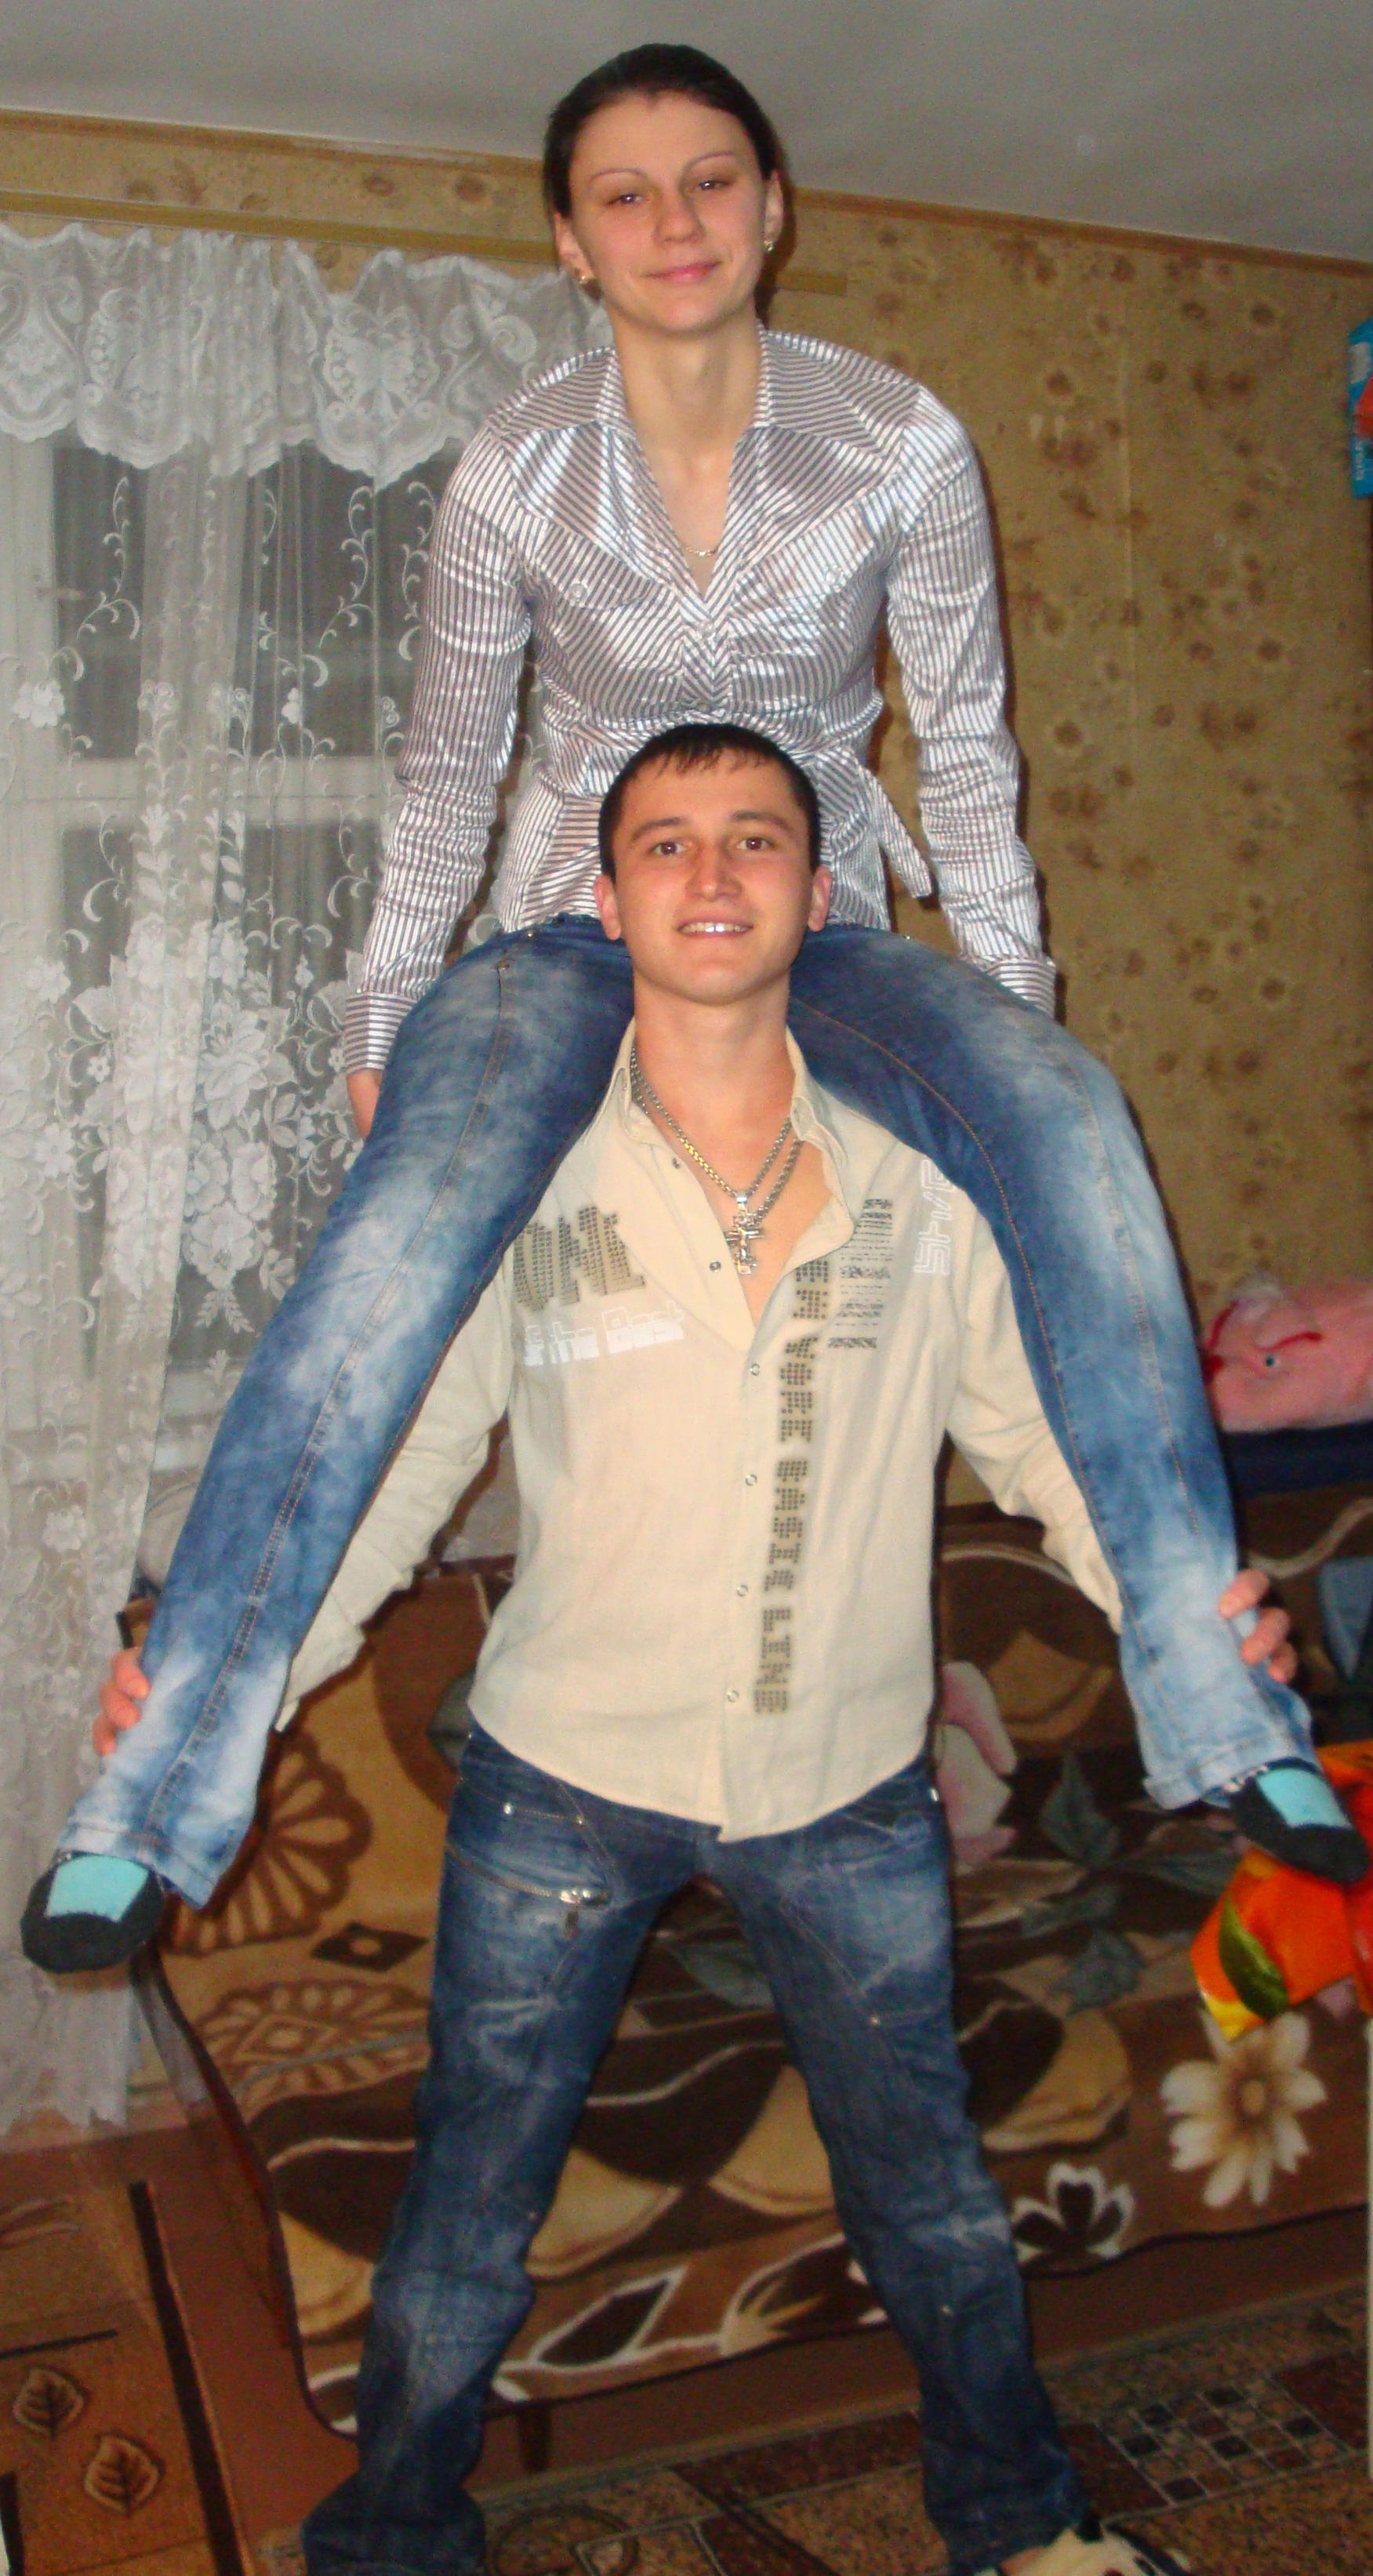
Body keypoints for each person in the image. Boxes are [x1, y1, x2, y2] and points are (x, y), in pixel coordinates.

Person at [23, 46, 1361, 1976]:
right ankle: (159, 1792)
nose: (676, 222)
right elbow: (447, 771)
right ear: (571, 241)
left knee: (1073, 1115)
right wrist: (388, 1014)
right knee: (395, 1238)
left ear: (773, 206)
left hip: (820, 922)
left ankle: (1218, 1695)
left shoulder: (901, 440)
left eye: (712, 179)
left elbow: (969, 750)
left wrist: (1017, 1030)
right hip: (572, 930)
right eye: (627, 193)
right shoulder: (515, 469)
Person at [84, 727, 1232, 2575]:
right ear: (605, 902)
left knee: (933, 2202)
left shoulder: (926, 1176)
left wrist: (1193, 1614)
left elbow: (1042, 1437)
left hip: (844, 1785)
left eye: (755, 839)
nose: (712, 874)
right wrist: (226, 1679)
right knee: (467, 2214)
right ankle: (392, 2539)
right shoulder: (516, 1174)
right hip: (562, 1778)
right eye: (669, 844)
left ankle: (1023, 2527)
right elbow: (392, 1464)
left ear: (819, 895)